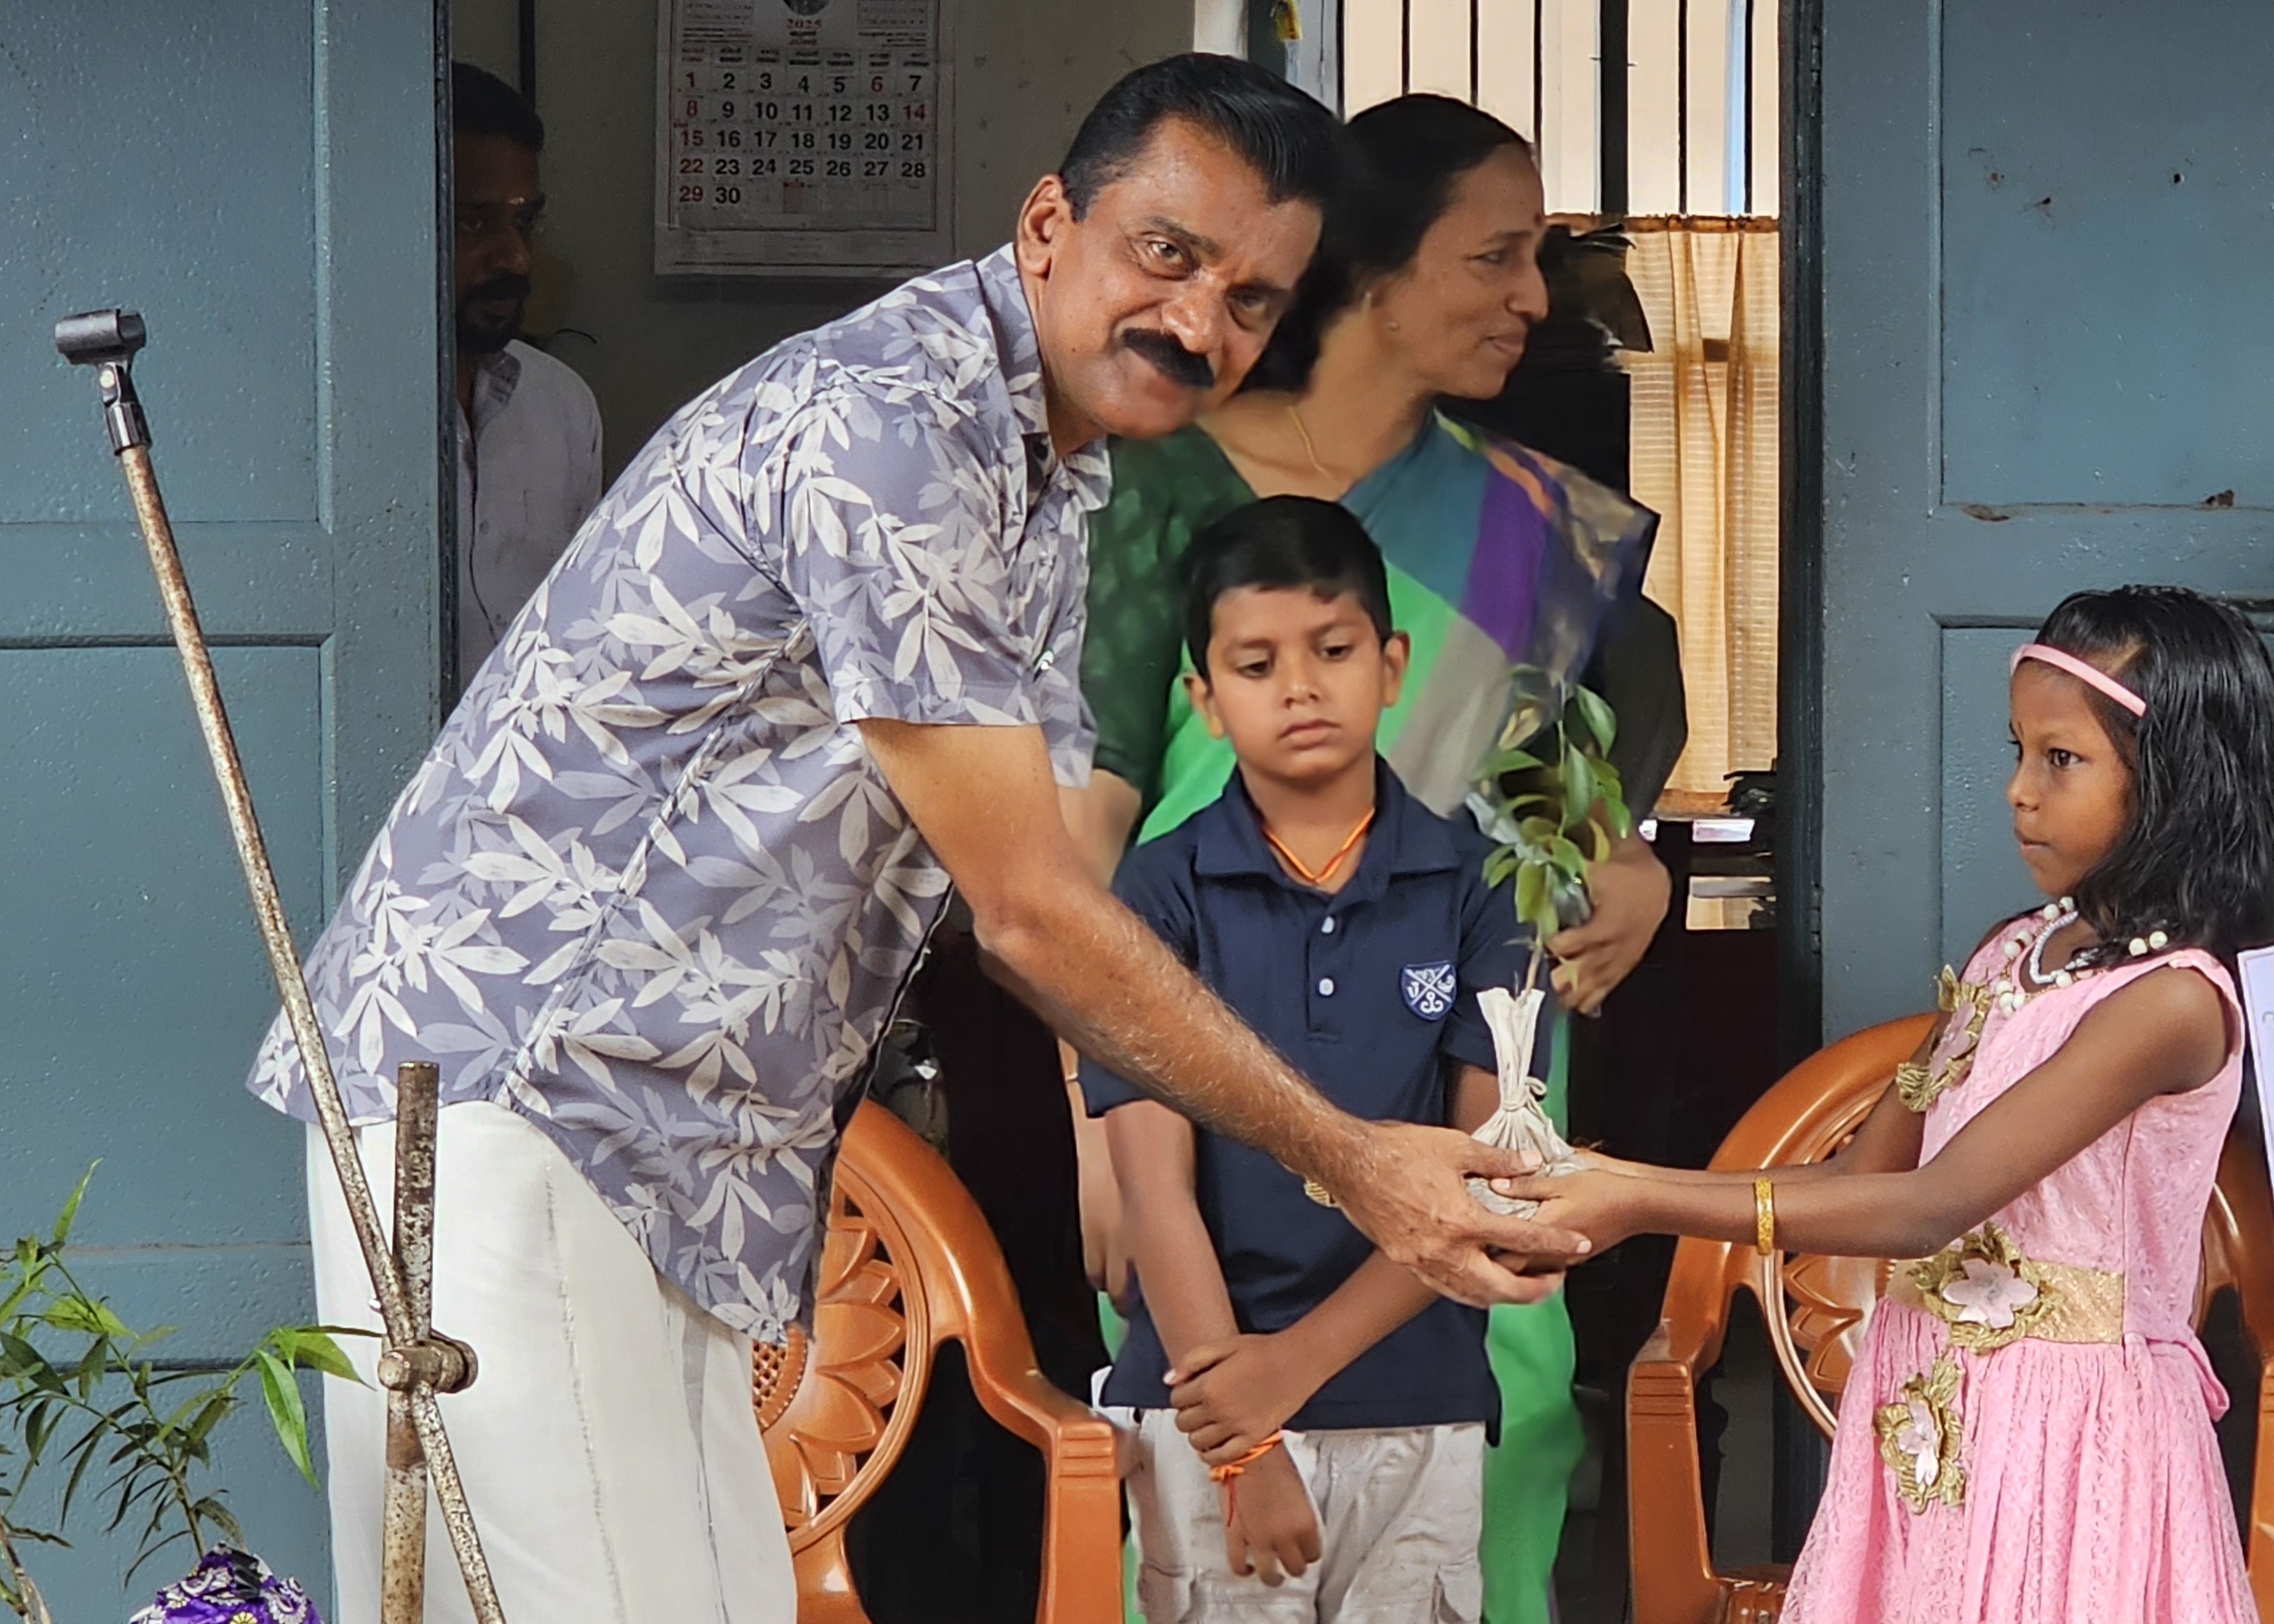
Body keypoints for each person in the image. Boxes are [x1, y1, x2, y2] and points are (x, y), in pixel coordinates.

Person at [250, 57, 1580, 1624]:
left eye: (1250, 298)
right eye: (1166, 253)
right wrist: (1353, 1160)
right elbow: (1030, 910)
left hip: (671, 1141)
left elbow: (1042, 881)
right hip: (521, 1086)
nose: (1198, 321)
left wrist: (1144, 1112)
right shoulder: (899, 426)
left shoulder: (1054, 472)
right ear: (1048, 224)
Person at [1072, 92, 1680, 1619]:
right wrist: (1095, 1127)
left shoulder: (1536, 521)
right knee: (1215, 1470)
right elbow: (1082, 835)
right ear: (1370, 265)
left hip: (1471, 1070)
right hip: (1200, 1067)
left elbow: (1564, 776)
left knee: (1502, 1435)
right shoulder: (1157, 486)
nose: (1533, 298)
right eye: (1493, 257)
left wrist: (1632, 864)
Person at [1517, 586, 2274, 1624]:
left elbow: (1932, 1204)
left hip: (2070, 1435)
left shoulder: (2171, 1002)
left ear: (2174, 779)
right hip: (1930, 1401)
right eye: (2018, 750)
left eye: (2060, 758)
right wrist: (1615, 1182)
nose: (2018, 790)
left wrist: (1636, 1194)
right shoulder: (2012, 951)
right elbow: (1862, 1176)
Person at [1086, 497, 1518, 1620]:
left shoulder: (1481, 892)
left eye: (1332, 650)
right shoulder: (1157, 893)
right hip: (1202, 1398)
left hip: (1416, 1394)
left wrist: (1294, 1370)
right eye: (1255, 663)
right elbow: (1154, 1192)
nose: (1299, 688)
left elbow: (1479, 1182)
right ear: (1204, 699)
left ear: (1392, 664)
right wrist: (1243, 1441)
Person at [447, 62, 601, 691]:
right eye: (474, 223)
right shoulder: (333, 419)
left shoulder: (561, 403)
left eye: (524, 222)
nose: (514, 256)